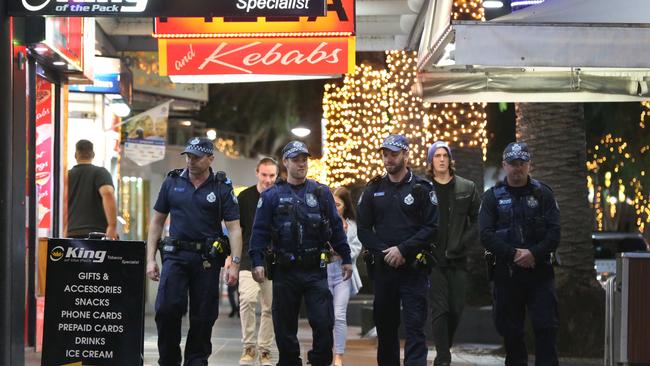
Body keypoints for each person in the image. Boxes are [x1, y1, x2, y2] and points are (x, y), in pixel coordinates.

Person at [249, 140, 352, 366]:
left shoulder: (321, 192)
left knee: (323, 322)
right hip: (285, 271)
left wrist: (346, 258)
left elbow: (335, 228)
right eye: (296, 159)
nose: (301, 163)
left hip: (315, 269)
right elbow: (259, 232)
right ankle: (289, 361)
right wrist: (257, 261)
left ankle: (320, 361)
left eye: (304, 159)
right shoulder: (271, 196)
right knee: (284, 324)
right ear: (285, 162)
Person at [145, 137, 243, 366]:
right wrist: (150, 259)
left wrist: (235, 264)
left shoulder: (221, 187)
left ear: (210, 158)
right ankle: (168, 360)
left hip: (206, 261)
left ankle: (196, 361)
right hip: (175, 257)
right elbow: (157, 222)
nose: (191, 161)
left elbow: (235, 228)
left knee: (204, 316)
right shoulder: (172, 182)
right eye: (188, 156)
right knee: (166, 309)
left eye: (197, 157)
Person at [357, 134, 438, 366]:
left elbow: (432, 227)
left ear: (405, 154)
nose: (388, 159)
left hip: (414, 269)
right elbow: (363, 229)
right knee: (385, 328)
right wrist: (385, 252)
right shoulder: (373, 188)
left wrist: (402, 249)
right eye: (385, 154)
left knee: (415, 327)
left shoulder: (422, 188)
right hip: (384, 270)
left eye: (394, 154)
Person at [479, 142, 560, 366]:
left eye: (522, 163)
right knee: (511, 332)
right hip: (507, 273)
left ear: (529, 164)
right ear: (504, 165)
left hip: (540, 272)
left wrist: (533, 253)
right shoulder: (492, 197)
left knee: (546, 328)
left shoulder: (543, 193)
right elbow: (485, 235)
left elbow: (554, 234)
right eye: (513, 163)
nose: (518, 168)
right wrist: (514, 254)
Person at [425, 141, 480, 366]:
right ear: (431, 161)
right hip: (433, 258)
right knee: (440, 309)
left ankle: (444, 347)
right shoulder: (423, 187)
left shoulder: (467, 187)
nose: (441, 159)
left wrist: (464, 243)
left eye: (444, 155)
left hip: (458, 258)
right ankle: (443, 357)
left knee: (456, 308)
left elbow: (478, 220)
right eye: (436, 155)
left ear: (450, 159)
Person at [236, 157, 279, 366]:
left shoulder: (281, 197)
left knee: (269, 307)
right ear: (257, 173)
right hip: (247, 256)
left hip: (273, 259)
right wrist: (231, 259)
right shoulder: (244, 197)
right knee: (247, 299)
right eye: (264, 175)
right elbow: (237, 231)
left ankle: (264, 350)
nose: (268, 180)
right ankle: (249, 346)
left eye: (272, 175)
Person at [329, 186, 363, 366]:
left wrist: (341, 253)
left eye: (338, 205)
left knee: (339, 314)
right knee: (323, 315)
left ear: (345, 206)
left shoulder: (352, 226)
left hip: (344, 274)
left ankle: (338, 355)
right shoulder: (322, 222)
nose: (335, 208)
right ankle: (324, 351)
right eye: (332, 204)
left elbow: (356, 249)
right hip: (325, 272)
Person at [65, 139, 118, 239]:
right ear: (93, 155)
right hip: (97, 235)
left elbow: (62, 203)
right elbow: (107, 193)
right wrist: (112, 226)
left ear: (76, 155)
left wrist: (64, 231)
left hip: (72, 233)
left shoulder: (67, 176)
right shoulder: (100, 173)